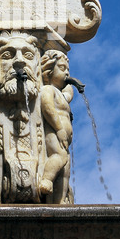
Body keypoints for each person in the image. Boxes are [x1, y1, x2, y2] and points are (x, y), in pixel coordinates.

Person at [40, 49, 74, 203]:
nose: (66, 73)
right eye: (62, 68)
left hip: (64, 139)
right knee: (58, 156)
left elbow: (68, 96)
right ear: (48, 70)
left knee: (65, 169)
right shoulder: (48, 89)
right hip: (54, 132)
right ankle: (46, 180)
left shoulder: (60, 94)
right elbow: (47, 107)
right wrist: (59, 129)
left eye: (67, 69)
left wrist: (69, 87)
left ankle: (60, 201)